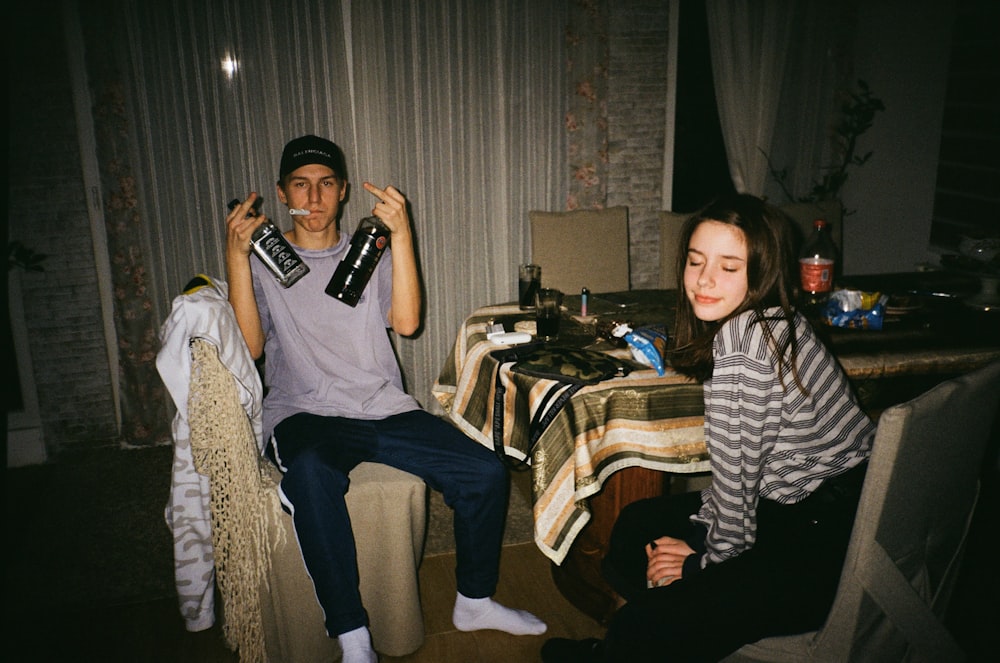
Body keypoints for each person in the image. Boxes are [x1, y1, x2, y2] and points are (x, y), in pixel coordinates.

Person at [226, 134, 546, 663]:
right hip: (304, 411)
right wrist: (237, 256)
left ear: (344, 191)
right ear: (281, 194)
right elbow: (251, 347)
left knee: (485, 472)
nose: (313, 198)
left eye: (326, 184)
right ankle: (353, 638)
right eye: (300, 186)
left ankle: (474, 600)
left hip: (382, 406)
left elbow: (407, 322)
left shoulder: (365, 250)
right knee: (309, 475)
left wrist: (402, 235)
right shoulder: (264, 257)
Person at [541, 193, 875, 662]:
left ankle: (629, 643)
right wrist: (701, 531)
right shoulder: (779, 318)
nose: (704, 280)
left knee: (650, 611)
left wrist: (699, 563)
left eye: (729, 266)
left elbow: (738, 490)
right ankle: (630, 640)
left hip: (817, 549)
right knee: (641, 522)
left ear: (762, 273)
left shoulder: (743, 348)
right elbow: (738, 479)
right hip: (823, 513)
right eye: (696, 261)